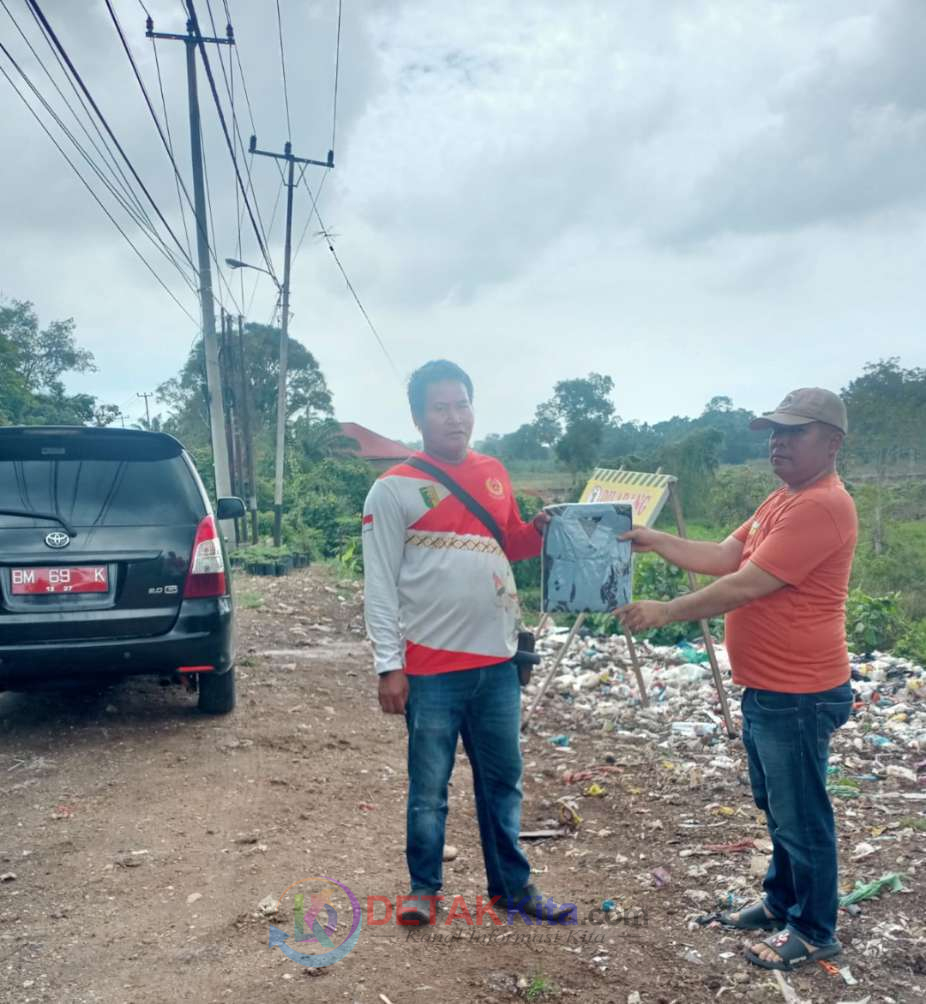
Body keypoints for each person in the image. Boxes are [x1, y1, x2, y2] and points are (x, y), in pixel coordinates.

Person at [616, 388, 857, 972]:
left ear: (831, 441)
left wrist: (666, 610)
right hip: (771, 689)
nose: (779, 442)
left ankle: (815, 928)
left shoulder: (822, 505)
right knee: (776, 805)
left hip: (799, 692)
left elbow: (747, 584)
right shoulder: (784, 499)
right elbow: (725, 555)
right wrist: (654, 540)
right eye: (775, 431)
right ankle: (781, 900)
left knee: (801, 814)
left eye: (794, 432)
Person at [362, 359, 569, 926]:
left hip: (499, 662)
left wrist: (540, 530)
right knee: (429, 786)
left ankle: (512, 890)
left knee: (503, 783)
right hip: (430, 667)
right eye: (441, 407)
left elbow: (508, 545)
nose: (455, 418)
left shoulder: (495, 472)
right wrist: (389, 665)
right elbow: (378, 584)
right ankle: (423, 889)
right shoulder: (392, 489)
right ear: (419, 417)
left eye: (462, 404)